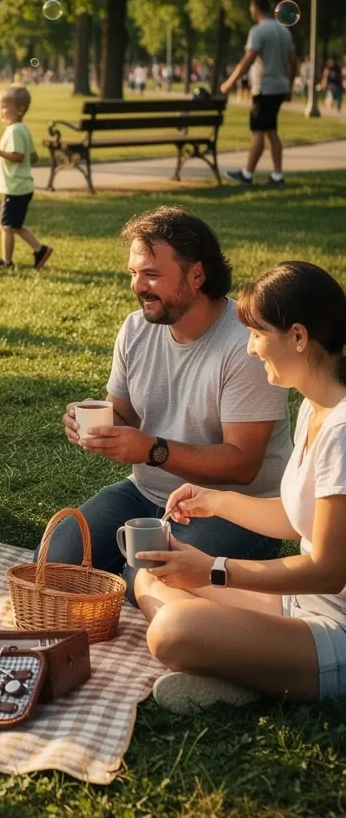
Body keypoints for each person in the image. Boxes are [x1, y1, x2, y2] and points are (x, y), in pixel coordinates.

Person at [135, 262, 346, 713]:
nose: (250, 349)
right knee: (150, 578)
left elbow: (329, 570)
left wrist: (213, 569)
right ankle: (248, 667)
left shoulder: (342, 430)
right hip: (299, 606)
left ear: (299, 337)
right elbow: (297, 518)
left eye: (257, 334)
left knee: (173, 631)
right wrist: (216, 500)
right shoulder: (315, 407)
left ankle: (249, 668)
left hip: (336, 630)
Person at [44, 206, 292, 586]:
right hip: (145, 493)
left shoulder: (246, 345)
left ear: (196, 275)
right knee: (54, 564)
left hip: (235, 508)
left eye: (152, 275)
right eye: (134, 273)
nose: (137, 286)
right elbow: (124, 414)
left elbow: (243, 465)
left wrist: (151, 450)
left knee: (147, 582)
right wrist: (94, 423)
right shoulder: (135, 329)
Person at [221, 0, 298, 188]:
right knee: (271, 130)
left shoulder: (258, 31)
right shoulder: (284, 31)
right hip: (279, 86)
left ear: (255, 9)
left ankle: (247, 174)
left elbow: (248, 59)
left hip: (265, 88)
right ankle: (277, 176)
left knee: (257, 130)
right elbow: (293, 61)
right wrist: (289, 86)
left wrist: (230, 82)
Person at [0, 84, 52, 272]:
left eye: (5, 107)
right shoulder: (22, 129)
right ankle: (40, 250)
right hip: (21, 186)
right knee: (15, 225)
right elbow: (33, 156)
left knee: (5, 226)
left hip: (15, 187)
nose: (0, 111)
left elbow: (18, 156)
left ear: (20, 109)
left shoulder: (15, 131)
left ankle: (7, 261)